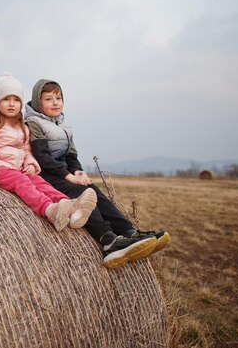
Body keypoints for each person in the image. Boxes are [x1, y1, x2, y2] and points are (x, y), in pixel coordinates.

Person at [24, 79, 170, 269]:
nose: (55, 103)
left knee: (95, 192)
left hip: (65, 172)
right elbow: (42, 157)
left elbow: (71, 155)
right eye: (49, 99)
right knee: (83, 196)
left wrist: (77, 170)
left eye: (58, 98)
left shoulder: (64, 126)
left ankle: (128, 231)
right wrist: (70, 177)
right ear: (37, 102)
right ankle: (107, 240)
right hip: (46, 175)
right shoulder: (33, 122)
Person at [0, 74, 98, 232]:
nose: (12, 104)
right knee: (22, 182)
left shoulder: (22, 126)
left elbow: (26, 150)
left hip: (18, 168)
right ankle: (48, 210)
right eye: (6, 99)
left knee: (40, 182)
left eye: (16, 100)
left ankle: (69, 206)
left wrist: (30, 163)